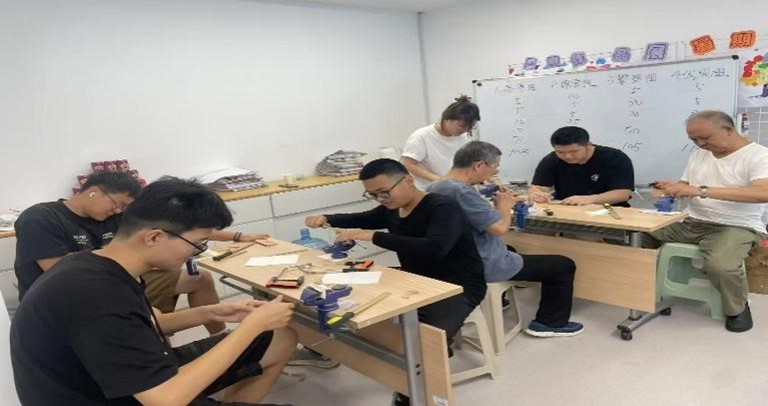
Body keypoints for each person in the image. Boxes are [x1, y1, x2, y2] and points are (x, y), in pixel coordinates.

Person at [11, 176, 297, 405]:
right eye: (198, 243)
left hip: (124, 383)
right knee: (256, 334)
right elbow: (164, 399)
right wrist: (251, 326)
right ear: (154, 237)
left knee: (280, 336)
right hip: (125, 396)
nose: (197, 252)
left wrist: (213, 312)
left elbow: (141, 325)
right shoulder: (96, 293)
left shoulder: (100, 264)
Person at [304, 159, 486, 406]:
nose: (380, 199)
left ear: (408, 181)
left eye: (384, 192)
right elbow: (365, 218)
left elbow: (435, 248)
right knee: (349, 295)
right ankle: (323, 345)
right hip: (414, 278)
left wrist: (374, 237)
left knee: (426, 343)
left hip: (457, 285)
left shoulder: (443, 207)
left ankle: (414, 390)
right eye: (372, 195)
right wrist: (327, 217)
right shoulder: (392, 208)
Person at [13, 171, 269, 334]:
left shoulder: (112, 217)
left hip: (119, 278)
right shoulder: (41, 218)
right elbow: (58, 270)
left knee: (199, 277)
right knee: (149, 319)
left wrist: (237, 236)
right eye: (117, 203)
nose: (117, 211)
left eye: (124, 207)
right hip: (73, 295)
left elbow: (183, 229)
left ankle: (220, 335)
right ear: (93, 191)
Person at [428, 141, 583, 338]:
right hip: (480, 264)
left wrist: (500, 204)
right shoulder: (462, 192)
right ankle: (549, 323)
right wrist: (504, 206)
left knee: (511, 248)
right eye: (494, 168)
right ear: (479, 165)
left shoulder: (435, 186)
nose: (493, 175)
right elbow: (500, 228)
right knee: (563, 265)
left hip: (453, 260)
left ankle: (499, 299)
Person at [645, 111, 768, 333]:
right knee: (636, 234)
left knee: (720, 265)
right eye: (694, 140)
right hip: (691, 221)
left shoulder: (758, 155)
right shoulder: (699, 155)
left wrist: (701, 191)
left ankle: (738, 308)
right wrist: (674, 187)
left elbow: (763, 193)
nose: (700, 144)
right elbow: (687, 184)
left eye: (705, 137)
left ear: (729, 129)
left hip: (737, 225)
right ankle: (635, 290)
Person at [529, 126, 635, 206]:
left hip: (609, 208)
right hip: (567, 208)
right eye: (560, 152)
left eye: (573, 151)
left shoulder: (614, 158)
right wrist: (536, 194)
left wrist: (590, 199)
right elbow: (538, 187)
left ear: (588, 144)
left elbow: (622, 194)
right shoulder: (551, 160)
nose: (567, 156)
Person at [401, 95, 480, 189]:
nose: (465, 130)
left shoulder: (463, 137)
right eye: (461, 125)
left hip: (452, 187)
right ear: (446, 119)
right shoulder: (421, 136)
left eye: (470, 127)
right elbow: (408, 163)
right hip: (427, 189)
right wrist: (439, 179)